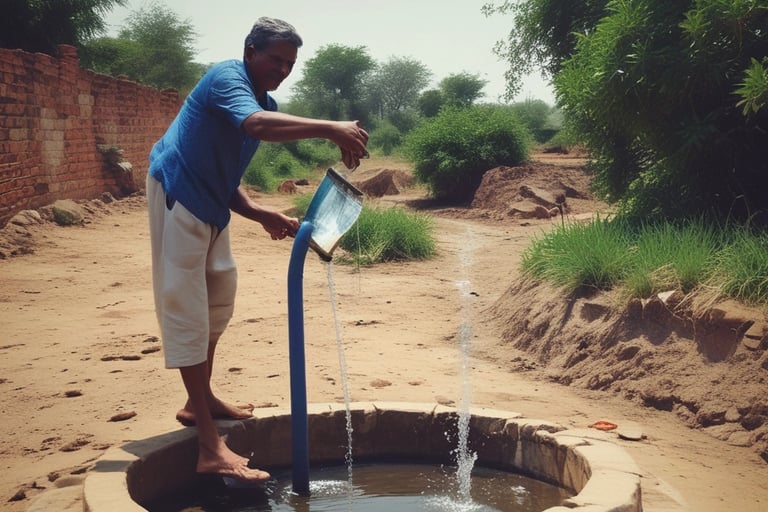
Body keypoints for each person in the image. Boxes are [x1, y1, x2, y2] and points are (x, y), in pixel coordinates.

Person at [146, 17, 369, 483]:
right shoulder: (227, 78)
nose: (283, 69)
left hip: (211, 207)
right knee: (187, 309)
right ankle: (210, 445)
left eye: (290, 63)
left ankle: (199, 399)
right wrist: (330, 127)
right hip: (178, 194)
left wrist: (260, 213)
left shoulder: (265, 102)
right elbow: (256, 126)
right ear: (250, 50)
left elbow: (225, 176)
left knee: (218, 301)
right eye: (276, 59)